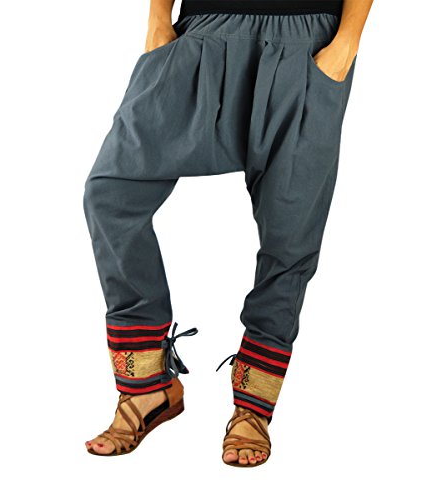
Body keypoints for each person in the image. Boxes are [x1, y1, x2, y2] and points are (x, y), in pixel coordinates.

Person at [83, 0, 374, 466]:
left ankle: (252, 408)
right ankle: (147, 387)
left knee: (291, 236)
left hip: (308, 41)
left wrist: (347, 42)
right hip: (202, 30)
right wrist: (158, 20)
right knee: (110, 194)